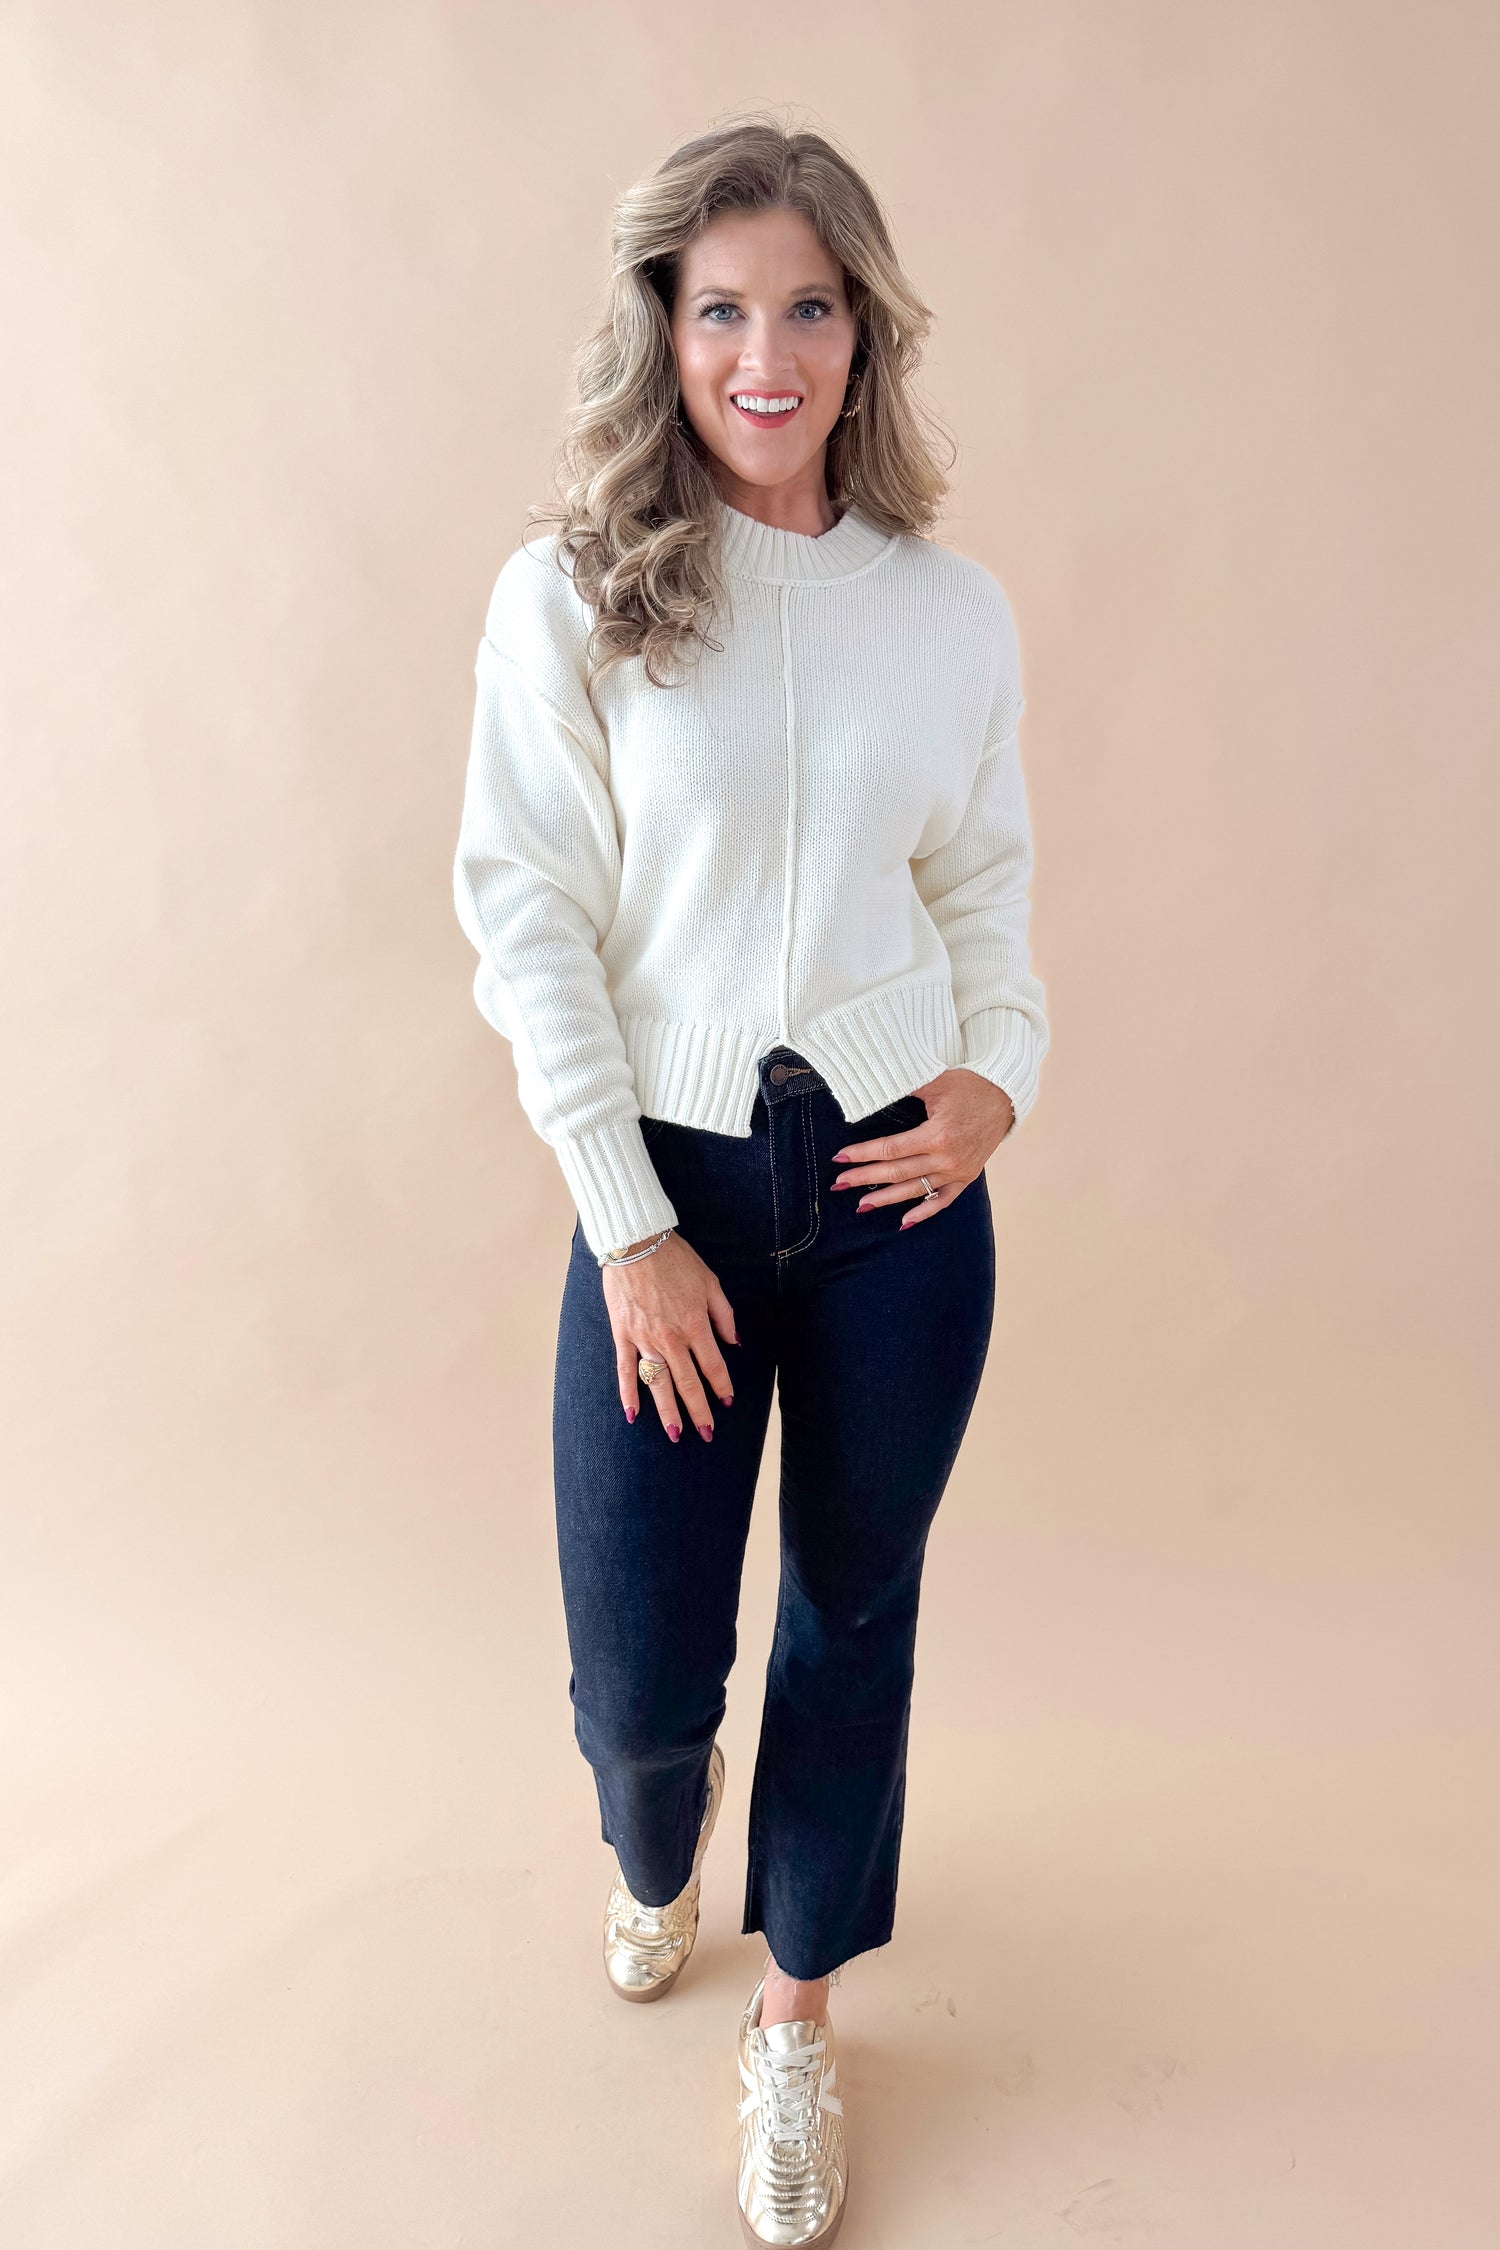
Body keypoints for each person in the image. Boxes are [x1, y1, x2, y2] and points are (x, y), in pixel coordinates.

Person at [452, 111, 1049, 2249]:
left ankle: (794, 2019)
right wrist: (631, 1222)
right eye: (722, 311)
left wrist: (999, 1083)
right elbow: (526, 912)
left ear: (864, 335)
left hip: (900, 1199)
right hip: (675, 1184)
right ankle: (654, 1855)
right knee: (640, 1677)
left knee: (854, 1614)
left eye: (807, 307)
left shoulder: (948, 611)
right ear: (667, 333)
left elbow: (988, 894)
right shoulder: (578, 591)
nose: (765, 354)